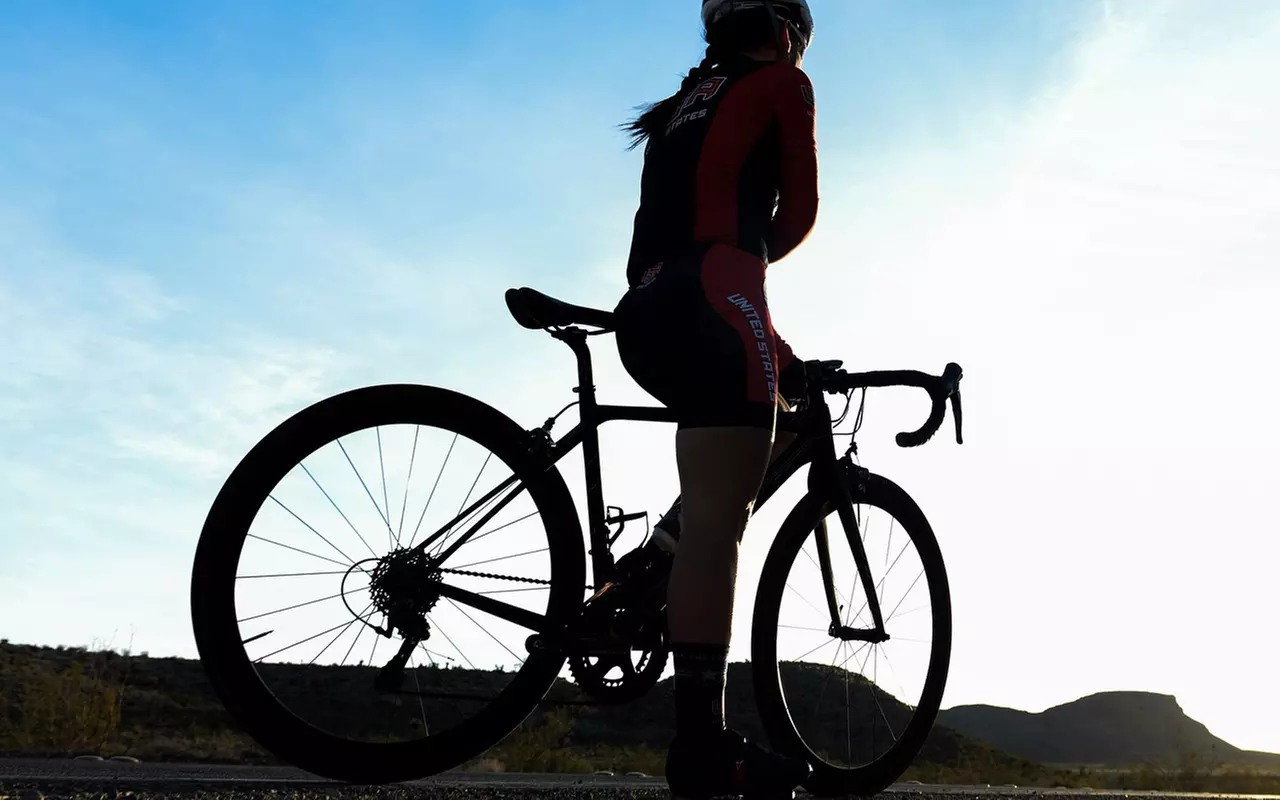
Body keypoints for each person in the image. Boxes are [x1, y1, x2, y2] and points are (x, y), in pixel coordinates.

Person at [611, 1, 820, 797]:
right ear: (783, 28)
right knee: (717, 523)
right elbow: (795, 216)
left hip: (645, 310)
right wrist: (753, 259)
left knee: (710, 485)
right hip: (719, 301)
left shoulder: (678, 106)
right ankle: (702, 748)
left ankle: (648, 568)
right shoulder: (779, 84)